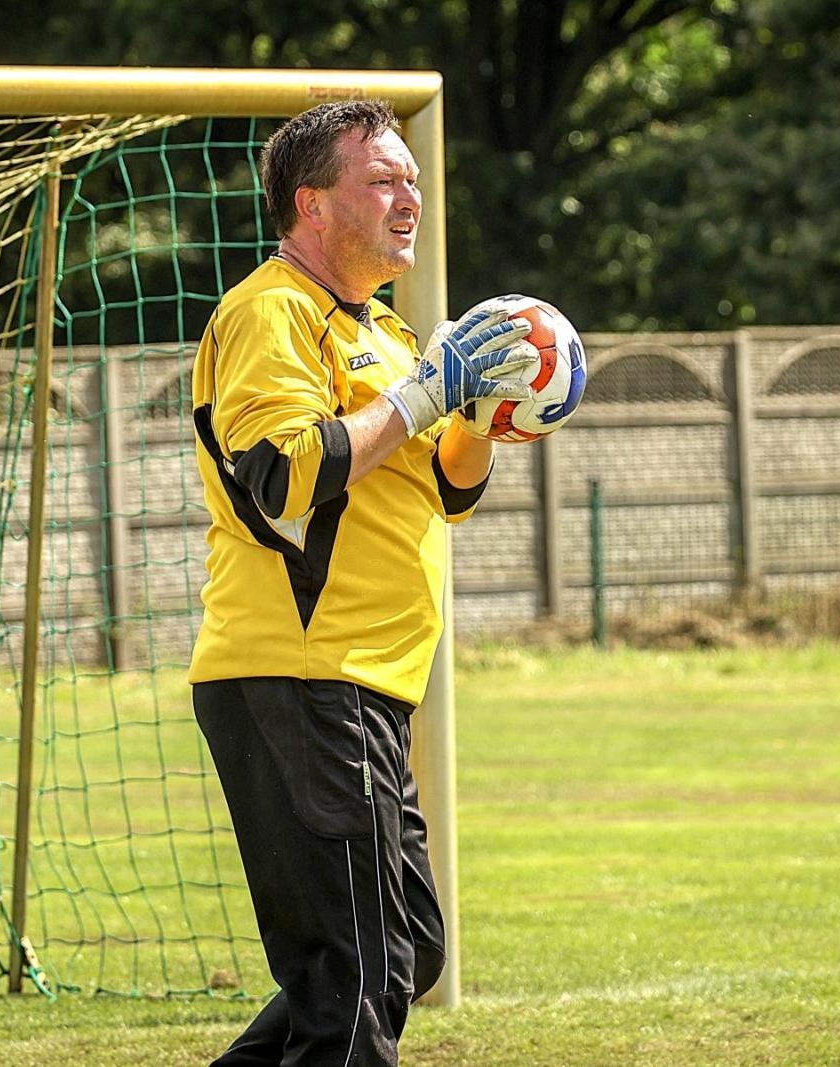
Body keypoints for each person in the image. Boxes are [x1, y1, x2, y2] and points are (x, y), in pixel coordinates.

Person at [187, 99, 534, 1066]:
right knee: (353, 981)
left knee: (402, 951)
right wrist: (428, 388)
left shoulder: (383, 335)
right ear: (313, 204)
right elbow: (285, 475)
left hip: (367, 685)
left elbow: (445, 492)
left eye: (412, 180)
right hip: (299, 673)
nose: (409, 196)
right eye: (382, 179)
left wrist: (480, 410)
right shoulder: (271, 311)